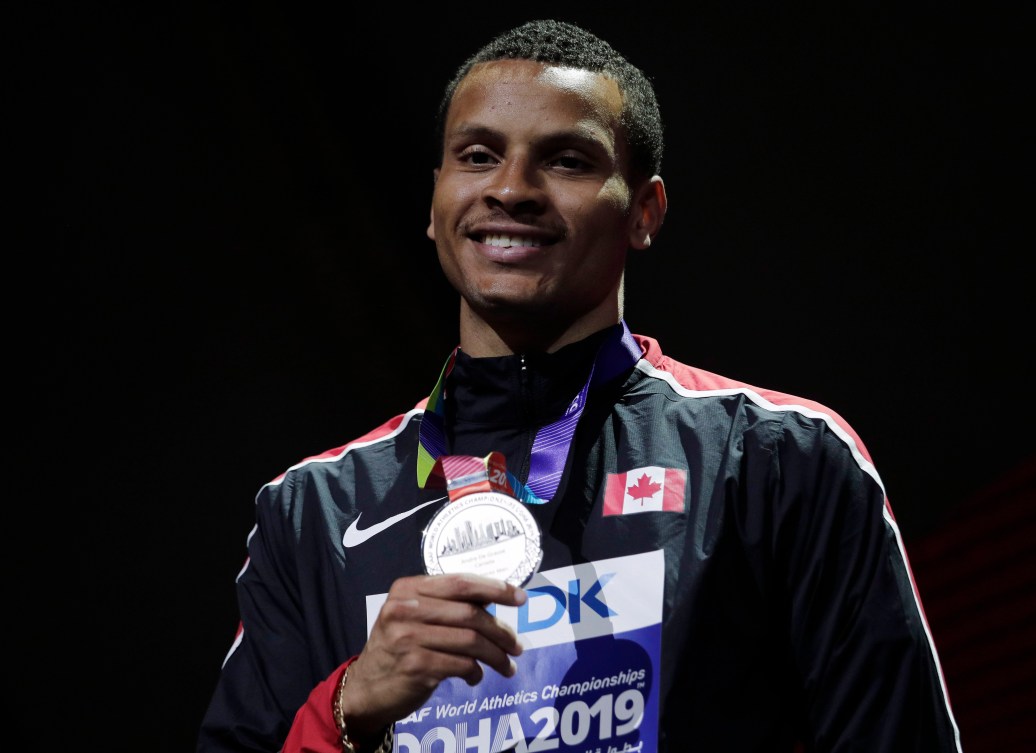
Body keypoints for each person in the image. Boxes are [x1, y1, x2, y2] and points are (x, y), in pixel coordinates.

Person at [197, 19, 963, 753]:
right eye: (477, 155)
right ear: (434, 204)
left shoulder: (772, 457)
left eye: (566, 160)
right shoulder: (313, 511)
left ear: (645, 212)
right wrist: (350, 705)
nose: (512, 189)